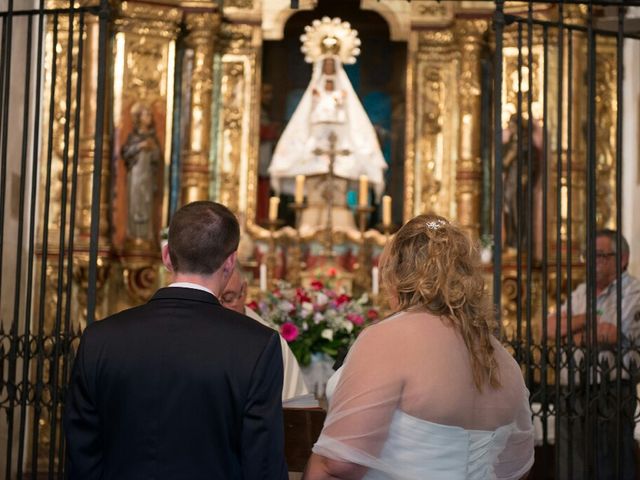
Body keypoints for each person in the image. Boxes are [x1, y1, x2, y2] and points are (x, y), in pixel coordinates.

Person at [64, 201, 288, 480]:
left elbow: (82, 454)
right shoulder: (257, 345)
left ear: (166, 256)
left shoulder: (100, 338)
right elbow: (262, 464)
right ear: (230, 262)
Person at [303, 214, 535, 479]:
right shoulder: (501, 358)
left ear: (398, 272)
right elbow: (518, 469)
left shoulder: (388, 340)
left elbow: (340, 464)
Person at [548, 229, 640, 479]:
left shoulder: (633, 293)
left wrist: (572, 332)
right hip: (572, 390)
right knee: (572, 468)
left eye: (600, 255)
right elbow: (549, 328)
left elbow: (610, 334)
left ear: (621, 259)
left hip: (609, 391)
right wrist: (589, 319)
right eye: (590, 256)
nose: (592, 262)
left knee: (609, 466)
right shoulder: (582, 292)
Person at [269, 55, 387, 234]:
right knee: (313, 202)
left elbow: (355, 127)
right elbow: (301, 125)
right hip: (314, 151)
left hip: (342, 150)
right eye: (326, 63)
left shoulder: (345, 98)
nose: (329, 68)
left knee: (339, 199)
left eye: (333, 64)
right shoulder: (314, 95)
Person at [221, 265, 310, 401]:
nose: (219, 308)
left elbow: (294, 409)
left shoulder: (269, 342)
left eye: (228, 298)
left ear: (244, 290)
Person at [121, 102, 162, 243]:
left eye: (150, 114)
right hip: (135, 175)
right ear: (139, 117)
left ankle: (146, 236)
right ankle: (133, 235)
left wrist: (153, 148)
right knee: (135, 204)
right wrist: (140, 146)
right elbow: (126, 153)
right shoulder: (134, 137)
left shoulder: (152, 138)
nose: (149, 117)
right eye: (146, 114)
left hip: (148, 177)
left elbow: (157, 158)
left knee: (147, 203)